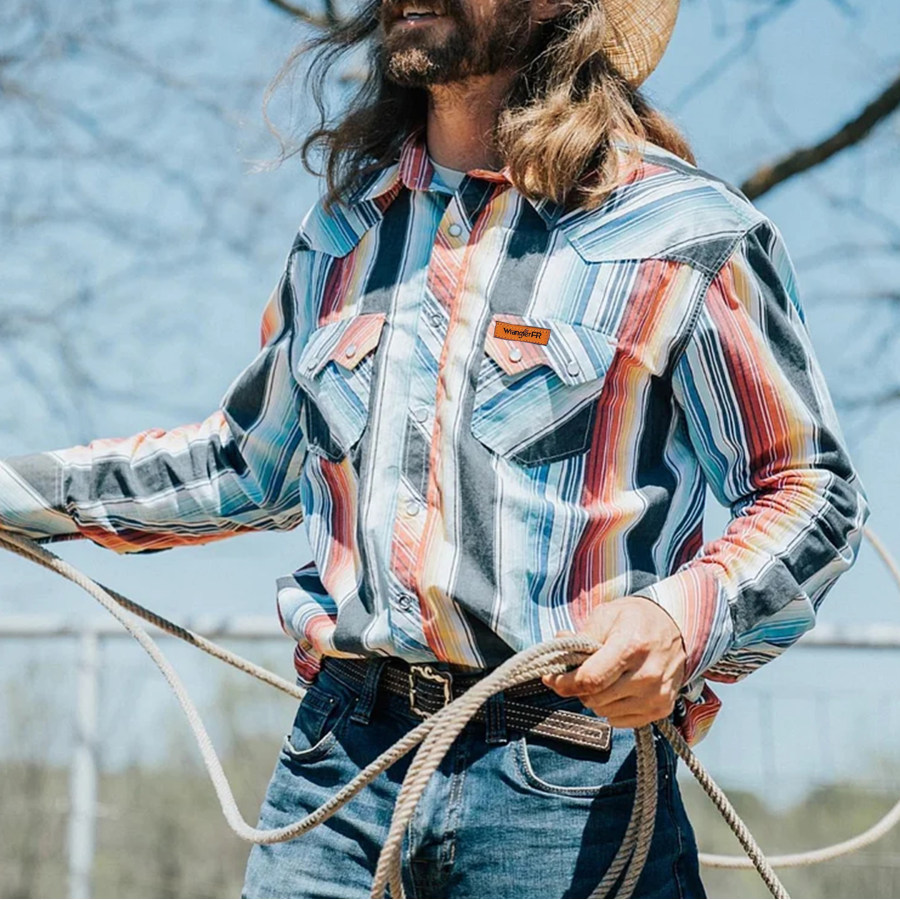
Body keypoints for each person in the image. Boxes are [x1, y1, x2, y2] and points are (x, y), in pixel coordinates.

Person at [0, 0, 870, 896]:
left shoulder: (685, 231)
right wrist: (14, 493)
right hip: (341, 760)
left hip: (565, 775)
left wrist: (679, 621)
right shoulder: (342, 234)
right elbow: (244, 465)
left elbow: (812, 490)